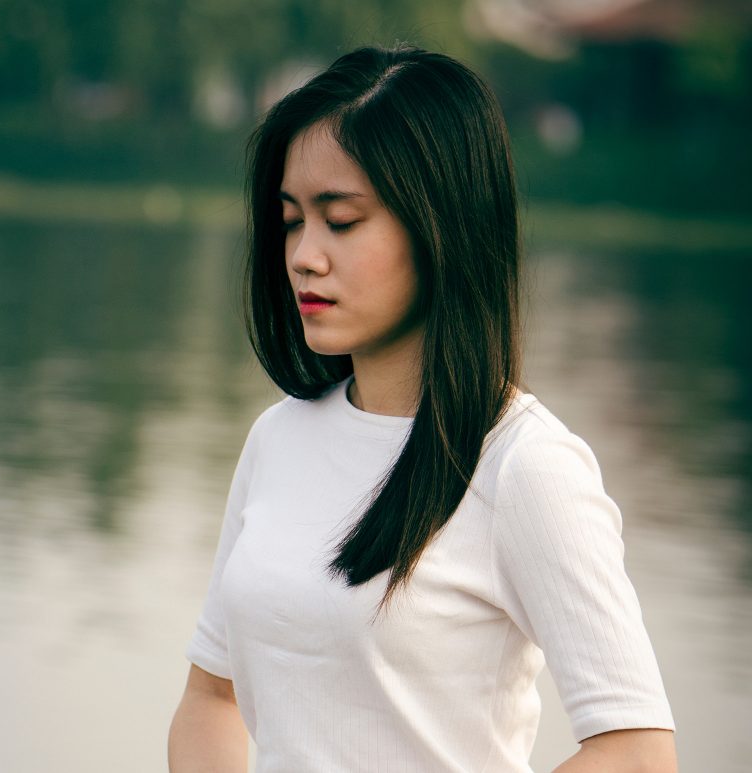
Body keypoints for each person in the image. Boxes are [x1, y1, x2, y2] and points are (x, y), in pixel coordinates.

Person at [168, 46, 676, 772]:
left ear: (443, 226)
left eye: (340, 220)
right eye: (290, 220)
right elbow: (211, 697)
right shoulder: (278, 436)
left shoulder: (524, 466)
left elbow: (638, 750)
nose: (303, 255)